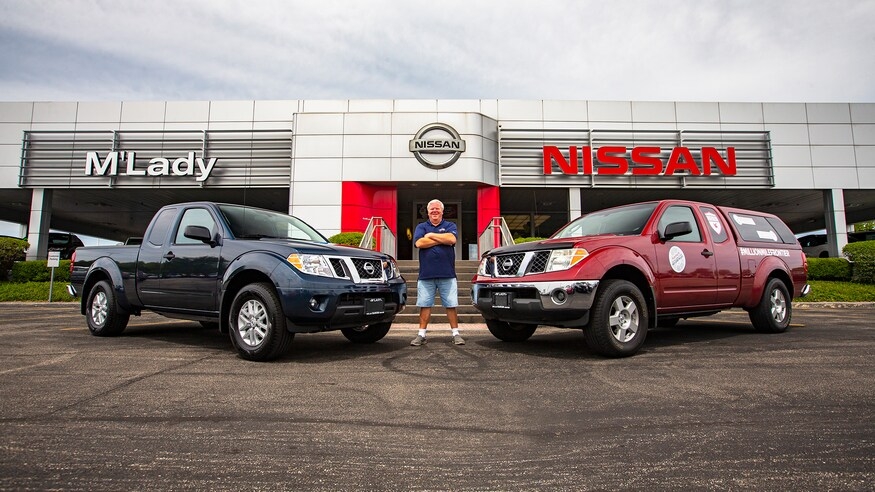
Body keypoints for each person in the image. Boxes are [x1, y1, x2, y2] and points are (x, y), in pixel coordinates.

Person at [410, 199, 464, 346]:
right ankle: (421, 335)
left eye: (437, 209)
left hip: (447, 274)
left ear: (442, 211)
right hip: (426, 274)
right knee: (425, 305)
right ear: (428, 212)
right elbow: (419, 243)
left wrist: (429, 236)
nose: (434, 211)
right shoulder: (421, 226)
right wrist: (441, 239)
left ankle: (456, 334)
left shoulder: (450, 225)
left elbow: (452, 239)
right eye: (432, 209)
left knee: (451, 305)